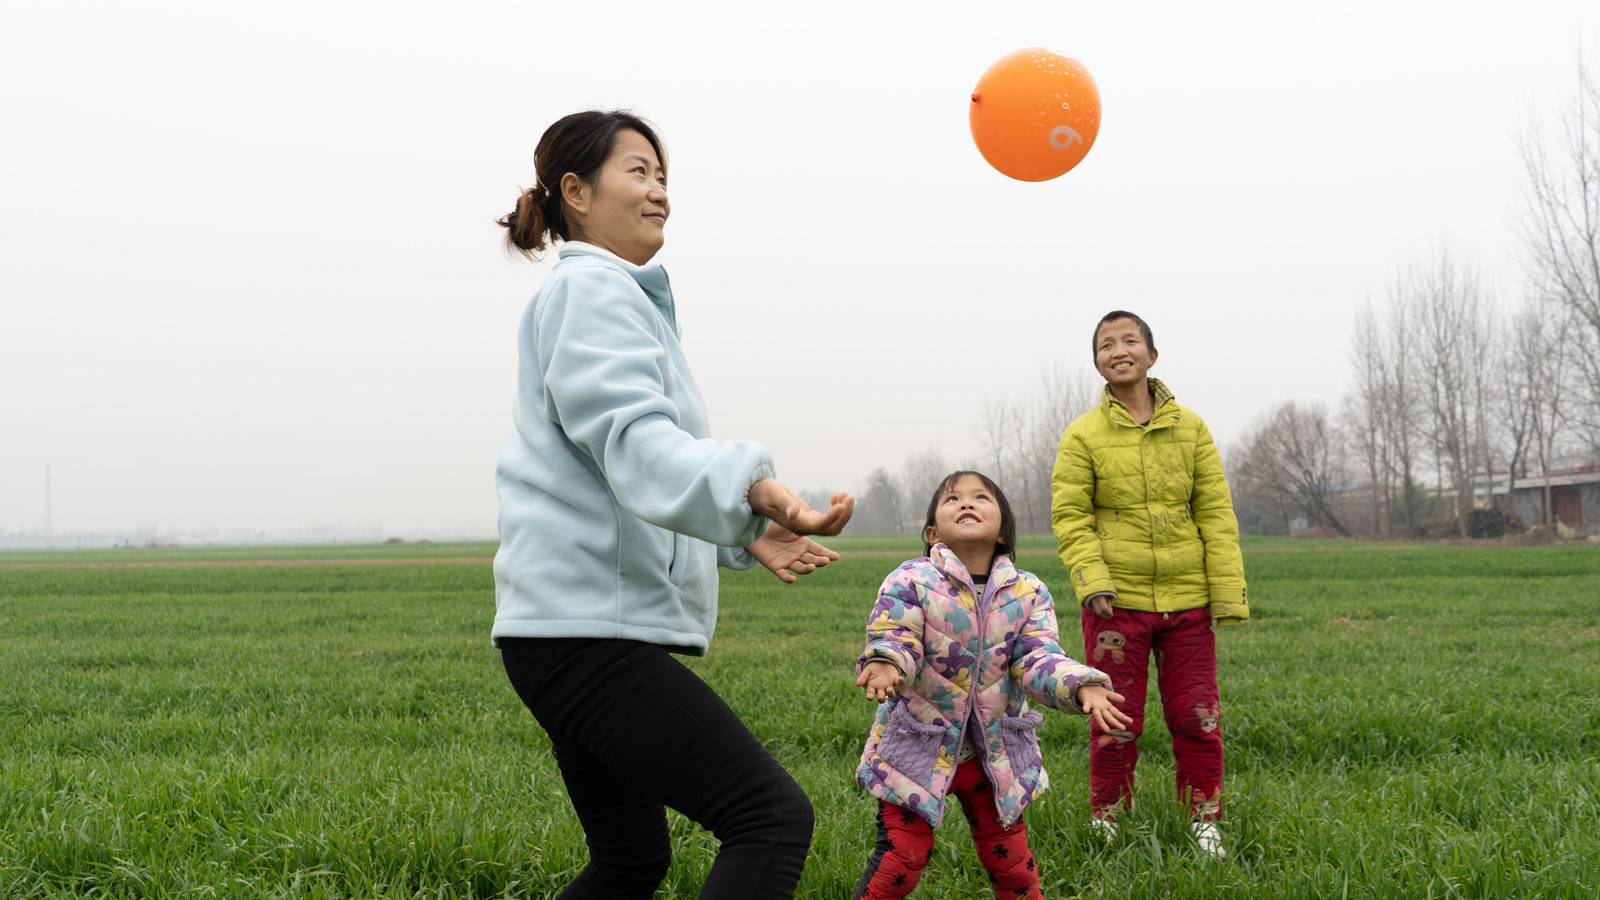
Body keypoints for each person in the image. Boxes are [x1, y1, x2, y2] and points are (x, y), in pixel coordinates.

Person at [491, 109, 855, 900]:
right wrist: (755, 490)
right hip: (586, 634)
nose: (659, 193)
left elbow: (620, 472)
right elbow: (636, 441)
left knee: (631, 860)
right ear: (576, 192)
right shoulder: (593, 293)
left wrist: (745, 531)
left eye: (663, 177)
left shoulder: (606, 295)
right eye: (639, 172)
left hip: (564, 629)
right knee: (769, 817)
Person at [852, 471, 1130, 900]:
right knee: (901, 861)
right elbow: (896, 634)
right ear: (932, 532)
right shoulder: (911, 580)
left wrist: (1080, 685)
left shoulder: (1029, 591)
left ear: (1002, 531)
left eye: (981, 497)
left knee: (1013, 867)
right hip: (917, 750)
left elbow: (1038, 657)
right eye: (953, 499)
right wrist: (888, 662)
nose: (967, 503)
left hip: (994, 757)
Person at [1050, 310, 1249, 858]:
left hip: (1187, 602)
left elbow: (1215, 512)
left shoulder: (1191, 428)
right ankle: (1108, 819)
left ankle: (1205, 820)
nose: (1119, 350)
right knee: (1116, 719)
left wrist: (1225, 594)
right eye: (1106, 344)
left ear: (1151, 355)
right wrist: (1092, 582)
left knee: (1196, 716)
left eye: (1129, 340)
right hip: (1118, 606)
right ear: (1097, 362)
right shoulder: (1082, 435)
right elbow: (1071, 517)